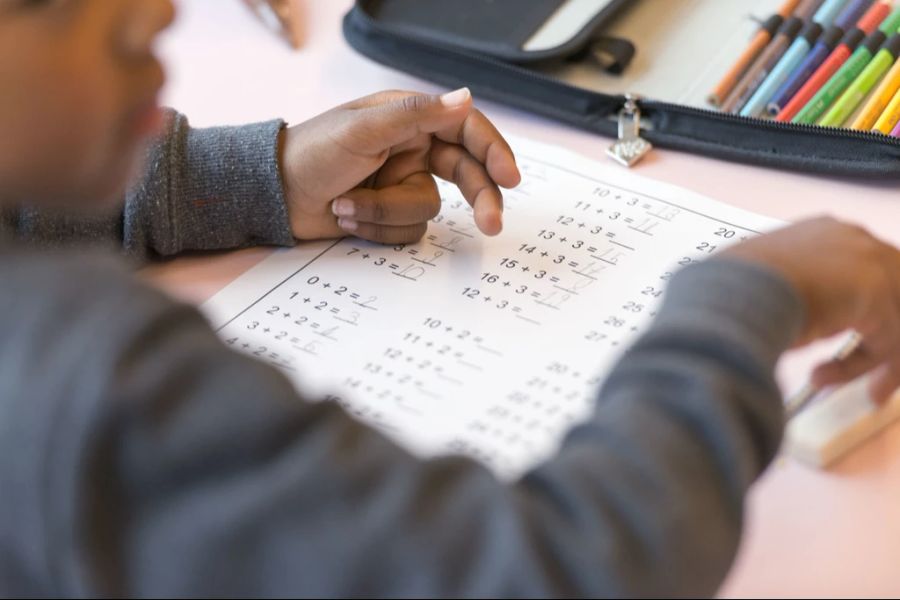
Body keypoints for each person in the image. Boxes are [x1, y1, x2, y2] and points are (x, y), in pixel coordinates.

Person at [1, 0, 899, 596]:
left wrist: (253, 178)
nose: (159, 12)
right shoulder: (86, 380)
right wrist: (746, 298)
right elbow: (564, 571)